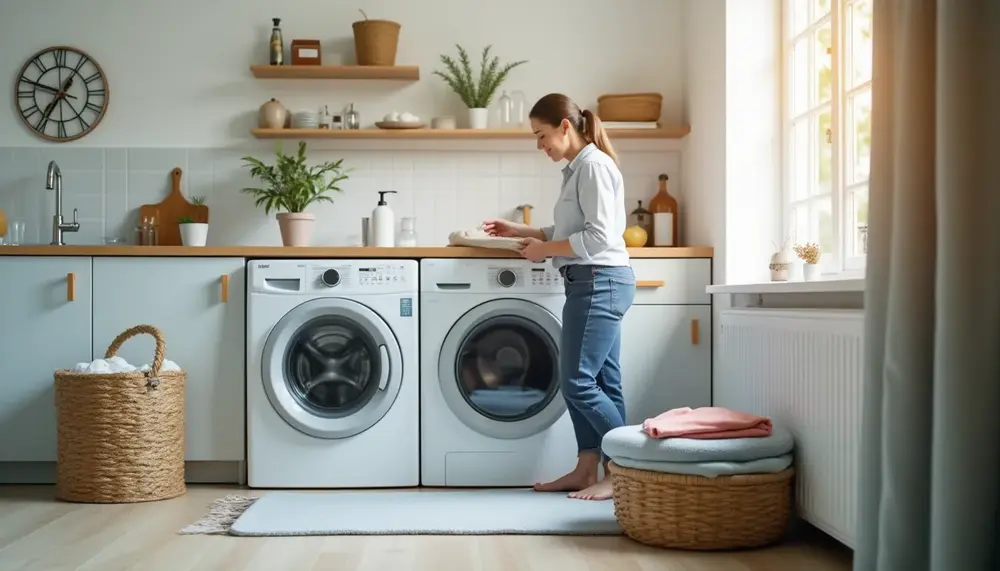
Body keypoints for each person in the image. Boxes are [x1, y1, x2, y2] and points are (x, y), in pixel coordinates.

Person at [482, 93, 636, 501]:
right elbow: (573, 230)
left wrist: (543, 251)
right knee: (604, 380)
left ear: (565, 126)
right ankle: (588, 469)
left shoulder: (594, 168)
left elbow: (600, 237)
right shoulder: (577, 170)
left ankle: (626, 469)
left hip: (599, 280)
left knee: (578, 382)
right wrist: (524, 232)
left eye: (542, 135)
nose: (540, 145)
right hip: (593, 280)